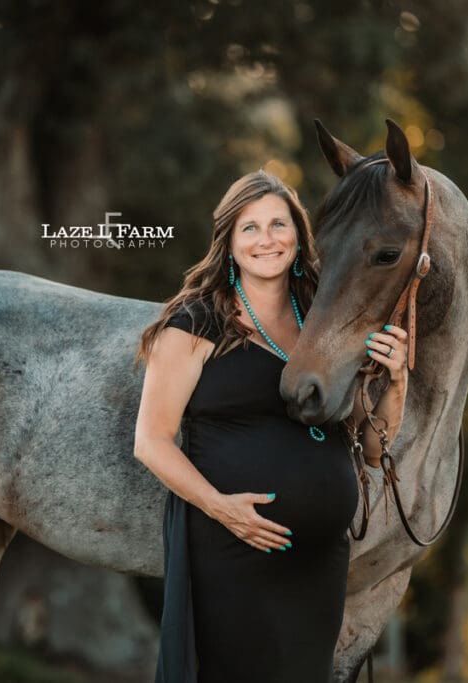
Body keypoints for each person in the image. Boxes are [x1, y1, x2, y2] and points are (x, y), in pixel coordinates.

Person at [132, 169, 409, 683]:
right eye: (250, 228)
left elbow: (372, 450)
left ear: (299, 237)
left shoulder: (325, 323)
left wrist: (394, 382)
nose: (267, 240)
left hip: (319, 564)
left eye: (278, 224)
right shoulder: (195, 323)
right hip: (236, 550)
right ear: (229, 244)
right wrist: (222, 508)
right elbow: (151, 441)